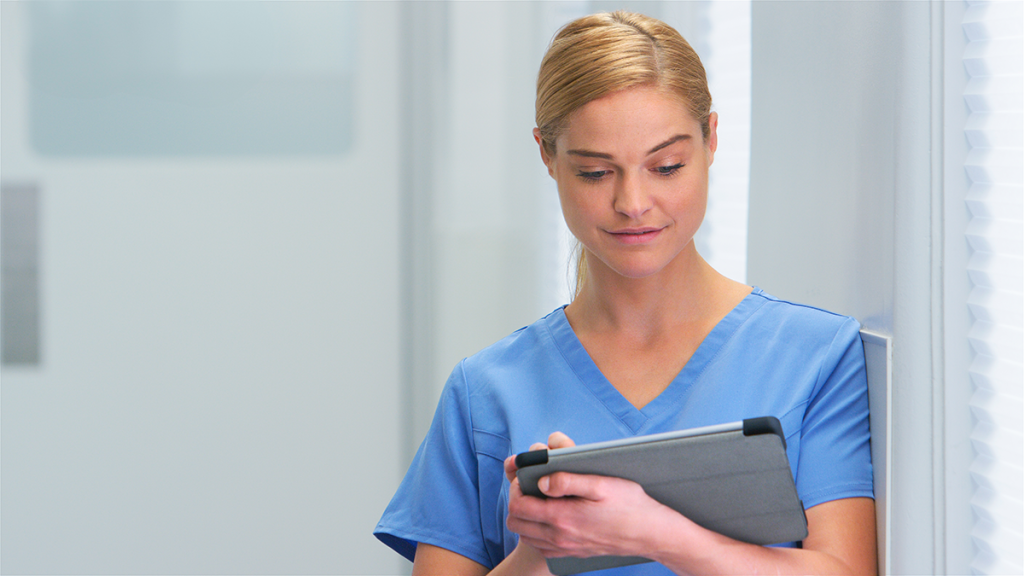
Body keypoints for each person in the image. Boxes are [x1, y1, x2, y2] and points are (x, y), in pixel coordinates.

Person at [375, 11, 876, 576]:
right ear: (546, 155)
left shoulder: (815, 357)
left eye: (666, 166)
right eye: (594, 172)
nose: (633, 202)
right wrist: (542, 550)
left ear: (711, 140)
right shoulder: (486, 391)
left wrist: (654, 533)